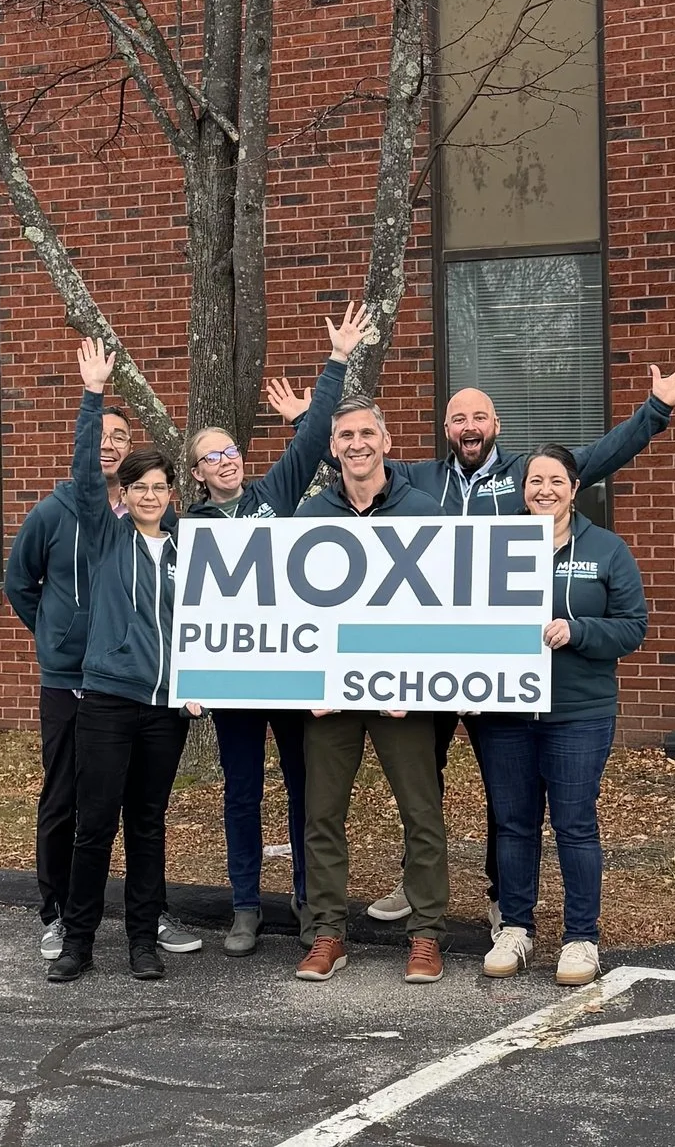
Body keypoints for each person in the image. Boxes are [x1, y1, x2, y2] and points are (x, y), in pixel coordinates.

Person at [357, 356, 675, 927]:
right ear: (446, 430)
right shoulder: (420, 478)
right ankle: (418, 881)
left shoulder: (528, 474)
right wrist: (310, 420)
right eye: (457, 419)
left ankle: (502, 898)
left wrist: (657, 408)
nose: (468, 427)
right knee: (424, 776)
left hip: (504, 665)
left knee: (509, 797)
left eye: (479, 416)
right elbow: (358, 460)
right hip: (436, 655)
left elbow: (600, 456)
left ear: (496, 424)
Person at [188, 301, 375, 957]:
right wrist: (189, 675)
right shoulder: (191, 532)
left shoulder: (276, 491)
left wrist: (337, 361)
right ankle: (245, 905)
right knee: (241, 791)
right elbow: (181, 611)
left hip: (292, 670)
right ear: (198, 472)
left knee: (305, 789)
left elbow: (317, 428)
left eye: (231, 450)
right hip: (234, 678)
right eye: (212, 456)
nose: (227, 461)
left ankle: (304, 899)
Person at [49, 339, 202, 984]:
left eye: (160, 487)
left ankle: (143, 937)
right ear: (126, 492)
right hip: (107, 701)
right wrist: (93, 396)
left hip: (166, 707)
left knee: (147, 823)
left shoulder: (191, 550)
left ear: (172, 493)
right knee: (95, 823)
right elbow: (86, 477)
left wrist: (202, 682)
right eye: (139, 486)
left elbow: (208, 625)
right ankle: (78, 940)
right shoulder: (106, 534)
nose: (149, 495)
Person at [470, 444, 648, 988]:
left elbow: (632, 626)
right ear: (521, 490)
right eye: (533, 481)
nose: (543, 489)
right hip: (507, 709)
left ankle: (580, 939)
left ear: (575, 487)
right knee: (514, 823)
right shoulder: (493, 546)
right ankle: (517, 928)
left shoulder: (607, 549)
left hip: (578, 712)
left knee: (574, 825)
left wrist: (579, 630)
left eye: (555, 480)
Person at [291, 395, 452, 987]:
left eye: (366, 434)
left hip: (401, 695)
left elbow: (449, 608)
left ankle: (427, 934)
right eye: (345, 436)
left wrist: (419, 680)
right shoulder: (308, 518)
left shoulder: (425, 510)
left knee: (422, 812)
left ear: (385, 442)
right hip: (329, 694)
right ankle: (328, 933)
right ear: (332, 449)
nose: (356, 444)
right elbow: (286, 611)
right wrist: (307, 680)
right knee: (323, 814)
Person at [3, 392, 132, 964]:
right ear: (82, 447)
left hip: (128, 679)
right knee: (64, 798)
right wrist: (58, 637)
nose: (109, 446)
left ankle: (145, 910)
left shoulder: (145, 512)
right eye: (100, 436)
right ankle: (55, 911)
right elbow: (18, 584)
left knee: (132, 799)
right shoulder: (51, 513)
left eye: (120, 438)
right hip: (68, 680)